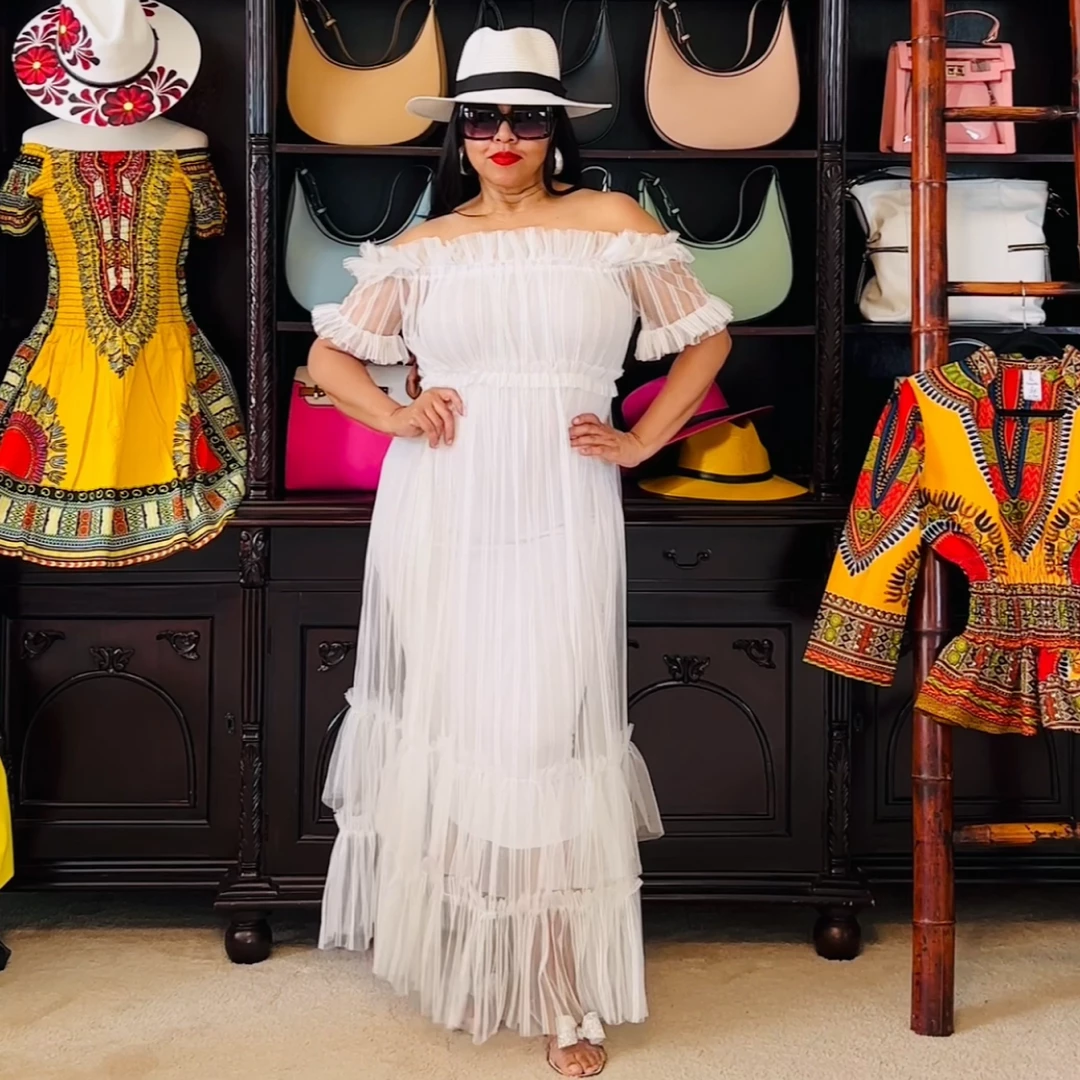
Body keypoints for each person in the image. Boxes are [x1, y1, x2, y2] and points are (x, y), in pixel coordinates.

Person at [307, 25, 732, 1078]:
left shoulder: (613, 225)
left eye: (528, 117)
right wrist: (394, 415)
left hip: (560, 503)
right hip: (444, 506)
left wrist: (641, 439)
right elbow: (329, 359)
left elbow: (707, 340)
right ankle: (472, 953)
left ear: (556, 130)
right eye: (484, 118)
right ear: (458, 132)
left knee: (545, 734)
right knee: (464, 728)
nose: (504, 136)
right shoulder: (422, 248)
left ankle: (560, 983)